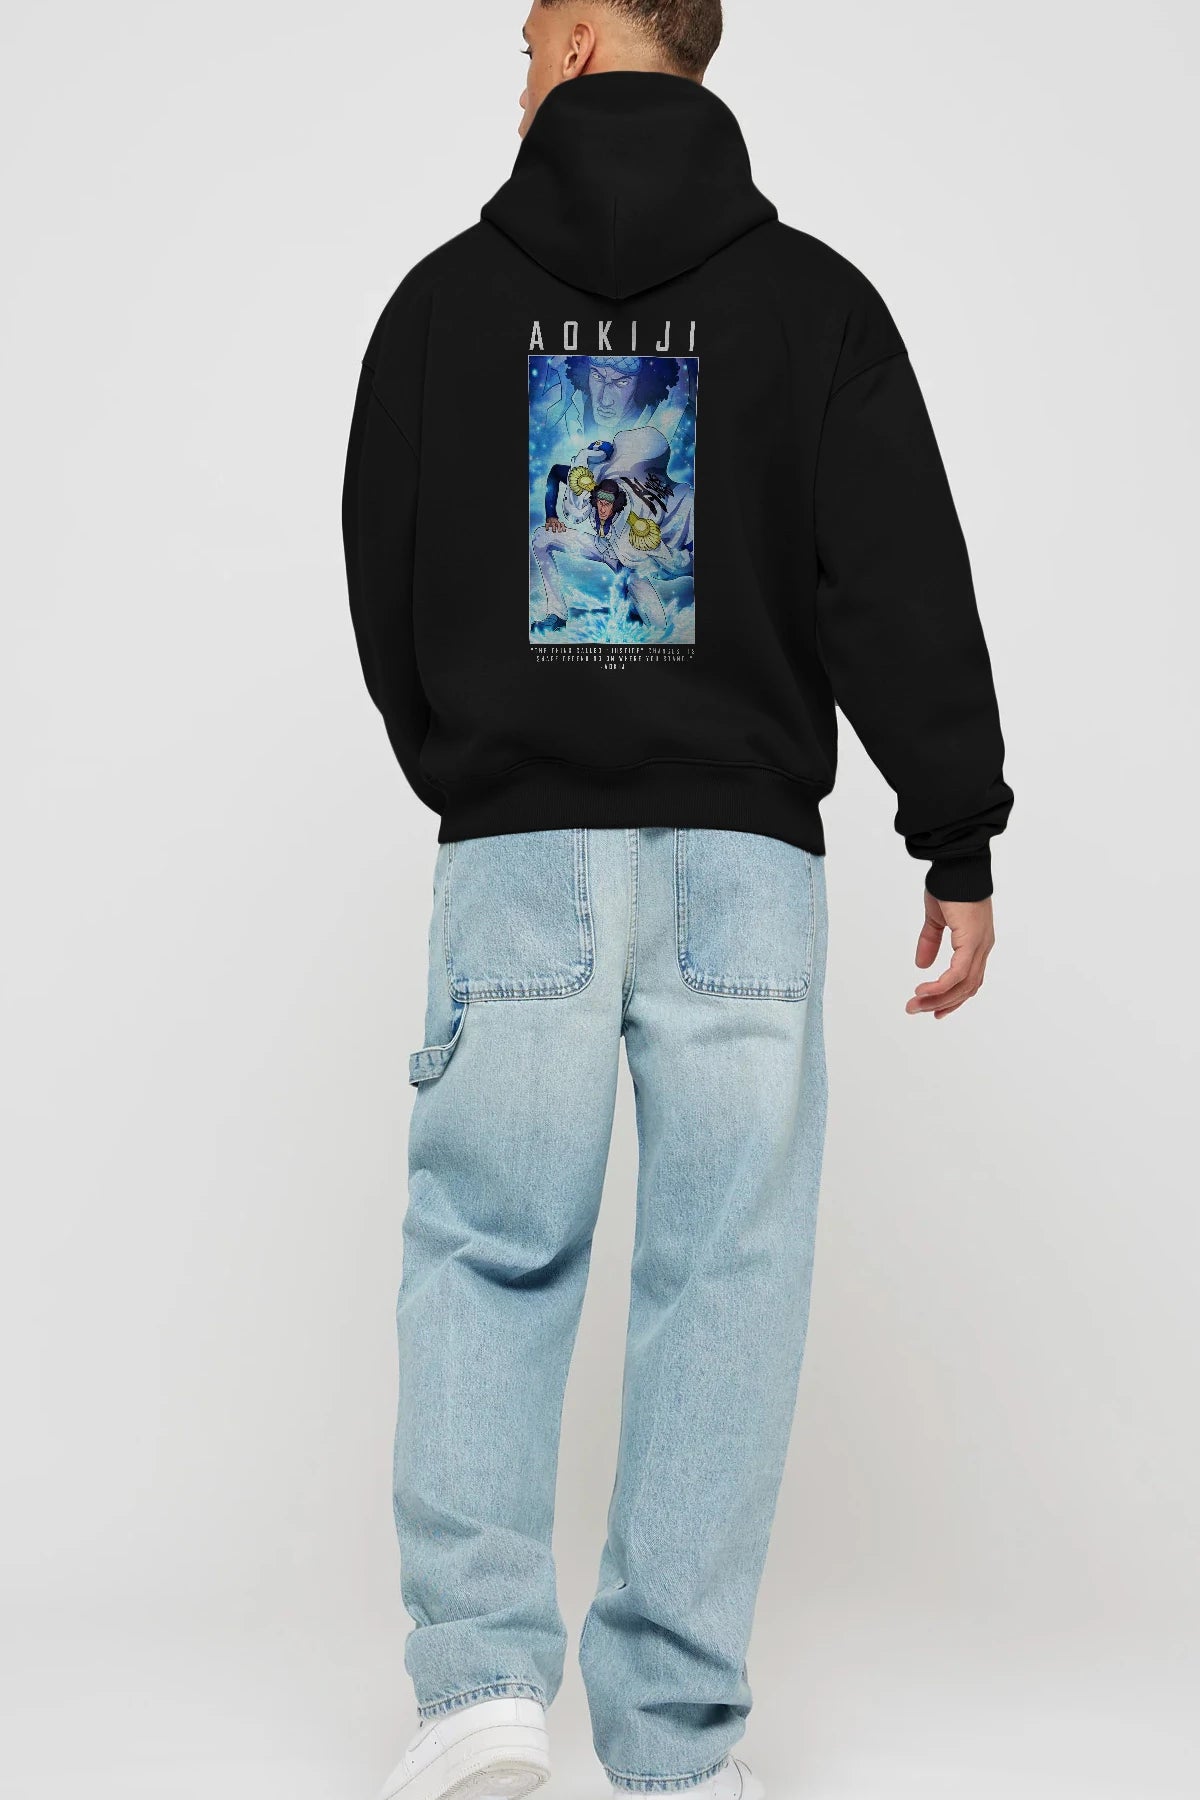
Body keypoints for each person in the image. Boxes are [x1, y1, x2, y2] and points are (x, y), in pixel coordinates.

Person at [341, 5, 1013, 1800]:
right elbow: (898, 578)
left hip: (519, 854)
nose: (517, 72)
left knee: (488, 1250)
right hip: (746, 874)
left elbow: (383, 576)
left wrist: (484, 769)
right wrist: (955, 831)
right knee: (728, 1279)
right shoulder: (817, 307)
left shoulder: (442, 307)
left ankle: (481, 1697)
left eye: (524, 40)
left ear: (576, 42)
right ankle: (676, 1751)